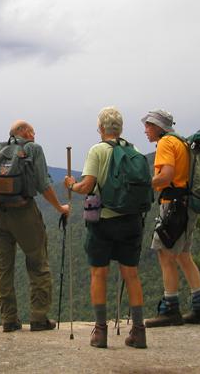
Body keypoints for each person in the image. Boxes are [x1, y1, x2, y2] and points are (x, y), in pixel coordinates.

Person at [0, 119, 70, 333]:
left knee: (2, 266)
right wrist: (60, 208)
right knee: (37, 262)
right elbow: (43, 184)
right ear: (25, 132)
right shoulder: (33, 149)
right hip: (23, 211)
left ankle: (9, 320)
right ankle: (38, 318)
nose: (35, 134)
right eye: (32, 130)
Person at [64, 106, 147, 349]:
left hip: (103, 220)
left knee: (99, 273)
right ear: (120, 129)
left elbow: (87, 185)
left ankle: (100, 333)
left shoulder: (97, 150)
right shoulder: (134, 150)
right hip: (132, 219)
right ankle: (139, 332)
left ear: (101, 129)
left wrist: (71, 184)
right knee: (131, 274)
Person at [142, 109, 200, 327]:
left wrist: (144, 184)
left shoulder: (165, 143)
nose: (145, 130)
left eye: (148, 126)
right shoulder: (181, 142)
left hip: (173, 206)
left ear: (157, 127)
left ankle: (170, 309)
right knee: (183, 255)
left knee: (165, 255)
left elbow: (166, 175)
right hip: (187, 205)